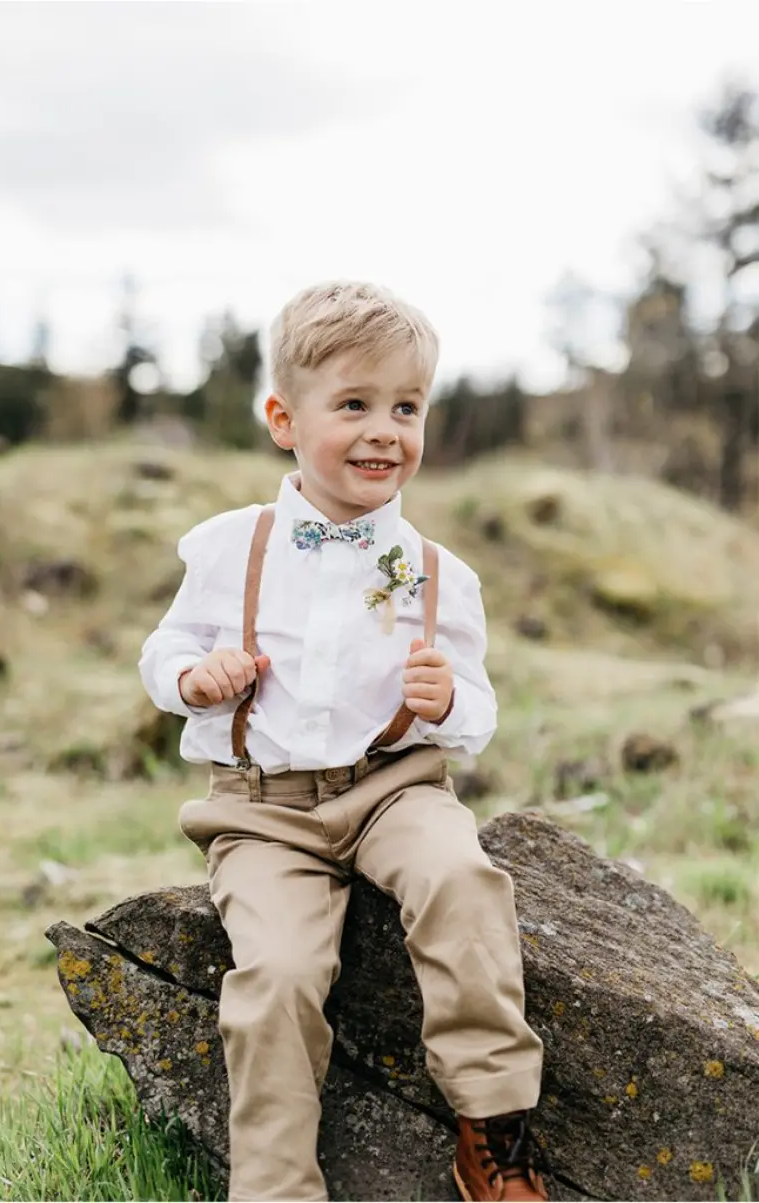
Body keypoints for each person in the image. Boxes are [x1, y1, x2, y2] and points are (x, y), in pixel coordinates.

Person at [139, 281, 547, 1202]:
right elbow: (164, 645)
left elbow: (475, 711)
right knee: (276, 976)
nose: (383, 430)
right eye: (353, 404)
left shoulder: (443, 573)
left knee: (462, 879)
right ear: (284, 418)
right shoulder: (227, 545)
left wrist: (445, 700)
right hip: (263, 810)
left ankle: (492, 1125)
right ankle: (278, 1185)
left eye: (406, 407)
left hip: (393, 788)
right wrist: (189, 678)